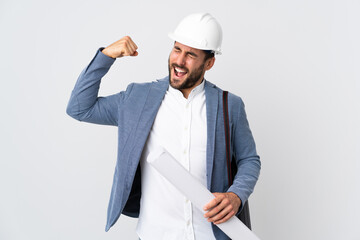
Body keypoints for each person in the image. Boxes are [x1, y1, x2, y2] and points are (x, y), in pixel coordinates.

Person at [67, 13, 260, 240]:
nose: (179, 60)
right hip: (155, 234)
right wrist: (106, 56)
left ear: (209, 63)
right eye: (177, 49)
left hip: (211, 235)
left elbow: (249, 160)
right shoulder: (137, 99)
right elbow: (79, 108)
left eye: (190, 55)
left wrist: (236, 195)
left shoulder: (230, 105)